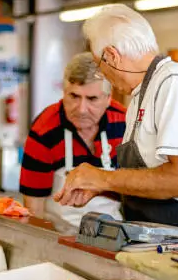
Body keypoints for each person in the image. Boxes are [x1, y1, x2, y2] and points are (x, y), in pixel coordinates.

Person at [54, 5, 178, 242]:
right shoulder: (141, 95)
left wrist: (101, 177)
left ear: (112, 56)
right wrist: (103, 188)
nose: (103, 75)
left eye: (99, 64)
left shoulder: (175, 83)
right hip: (157, 234)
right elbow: (152, 180)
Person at [20, 53, 127, 227]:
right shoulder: (44, 130)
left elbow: (136, 190)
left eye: (92, 99)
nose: (82, 109)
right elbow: (34, 207)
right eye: (74, 97)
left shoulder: (125, 124)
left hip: (114, 233)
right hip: (58, 236)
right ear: (64, 92)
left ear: (108, 98)